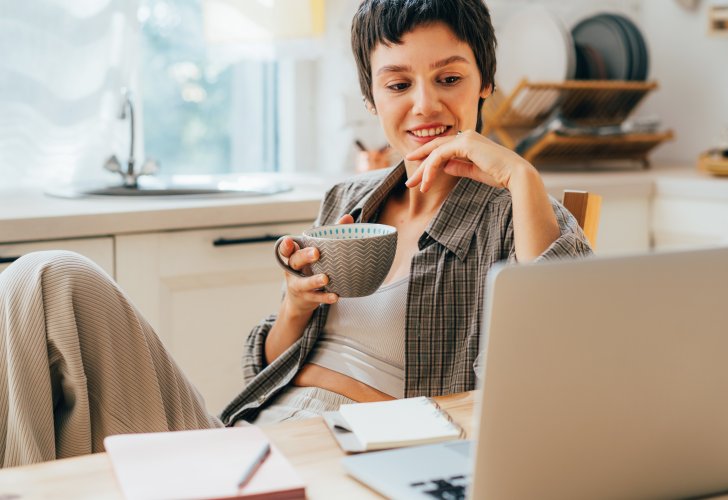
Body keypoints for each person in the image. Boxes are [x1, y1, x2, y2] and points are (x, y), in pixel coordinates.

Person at [0, 0, 592, 467]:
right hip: (249, 435)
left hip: (359, 454)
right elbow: (265, 371)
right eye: (397, 84)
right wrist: (293, 306)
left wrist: (521, 174)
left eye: (448, 78)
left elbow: (563, 356)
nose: (424, 105)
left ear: (485, 81)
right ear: (370, 96)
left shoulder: (515, 211)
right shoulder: (348, 202)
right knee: (44, 279)